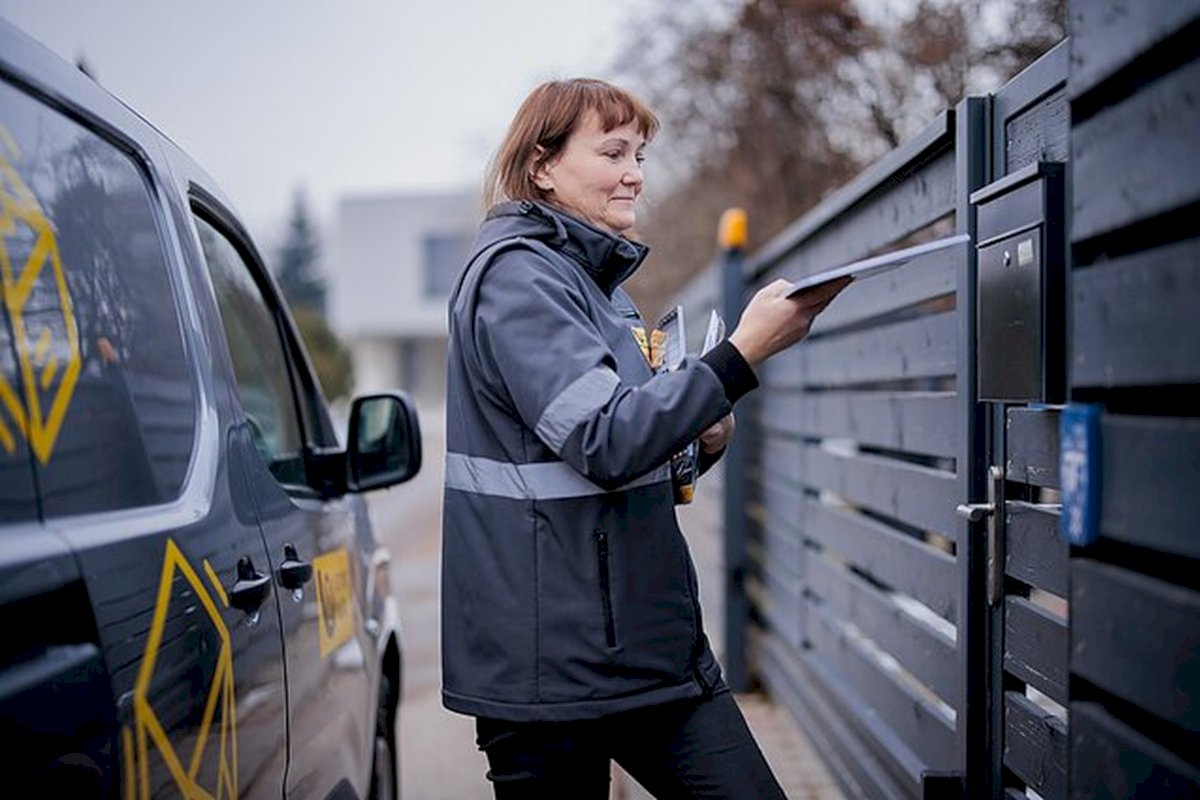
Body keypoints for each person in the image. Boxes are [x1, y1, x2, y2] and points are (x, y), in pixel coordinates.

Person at [441, 78, 850, 799]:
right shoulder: (518, 278)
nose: (635, 172)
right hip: (550, 678)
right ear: (542, 166)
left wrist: (706, 432)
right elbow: (603, 438)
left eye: (639, 153)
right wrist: (738, 359)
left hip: (646, 651)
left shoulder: (600, 290)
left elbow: (633, 453)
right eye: (613, 151)